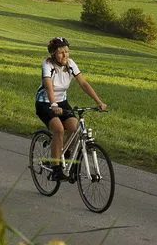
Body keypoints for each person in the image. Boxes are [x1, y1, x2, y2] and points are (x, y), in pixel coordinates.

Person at [36, 36, 108, 181]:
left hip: (62, 102)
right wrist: (53, 105)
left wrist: (98, 101)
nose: (65, 55)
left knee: (75, 127)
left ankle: (65, 154)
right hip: (45, 103)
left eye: (67, 52)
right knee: (59, 129)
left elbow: (83, 83)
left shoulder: (70, 64)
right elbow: (49, 86)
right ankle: (56, 169)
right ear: (53, 54)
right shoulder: (47, 64)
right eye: (61, 52)